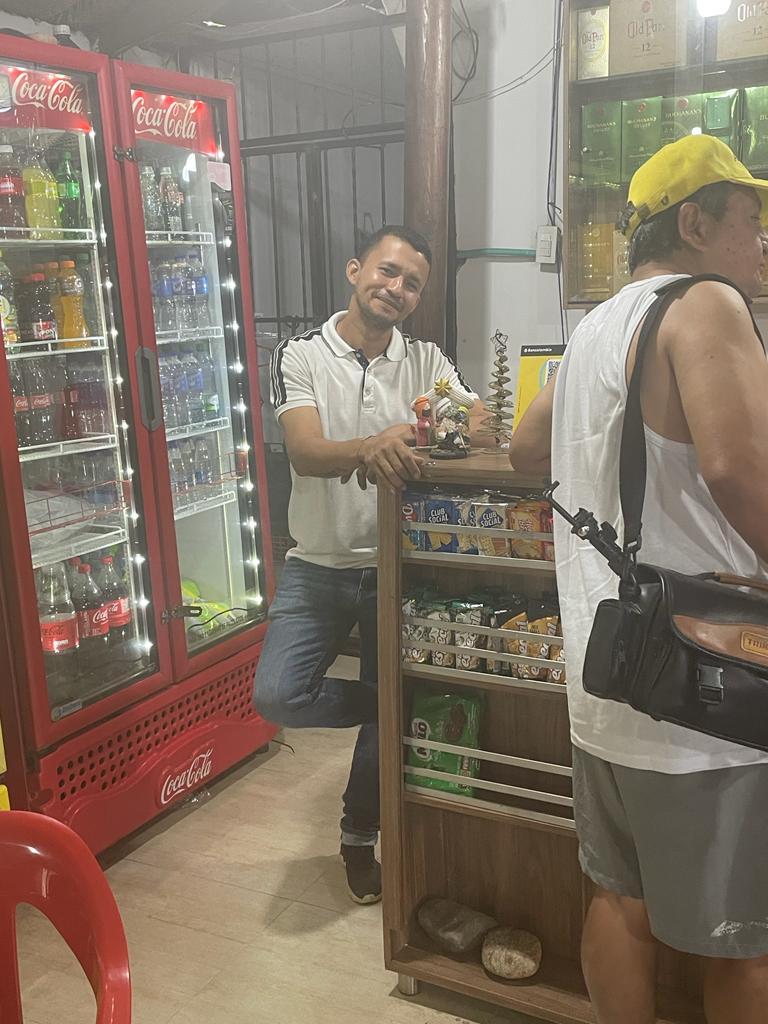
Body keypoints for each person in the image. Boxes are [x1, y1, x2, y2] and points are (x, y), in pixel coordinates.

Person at [509, 134, 768, 1024]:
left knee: (621, 901)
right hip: (708, 686)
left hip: (610, 669)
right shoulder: (707, 303)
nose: (761, 241)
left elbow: (526, 446)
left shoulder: (596, 326)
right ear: (693, 225)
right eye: (750, 221)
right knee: (745, 943)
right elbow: (739, 471)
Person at [254, 226, 479, 904]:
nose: (396, 289)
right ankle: (389, 705)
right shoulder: (300, 353)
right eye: (387, 272)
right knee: (279, 696)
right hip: (317, 564)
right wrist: (370, 445)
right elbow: (305, 452)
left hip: (396, 568)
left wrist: (422, 431)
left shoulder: (427, 359)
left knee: (388, 708)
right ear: (356, 270)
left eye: (412, 283)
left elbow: (479, 423)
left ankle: (359, 837)